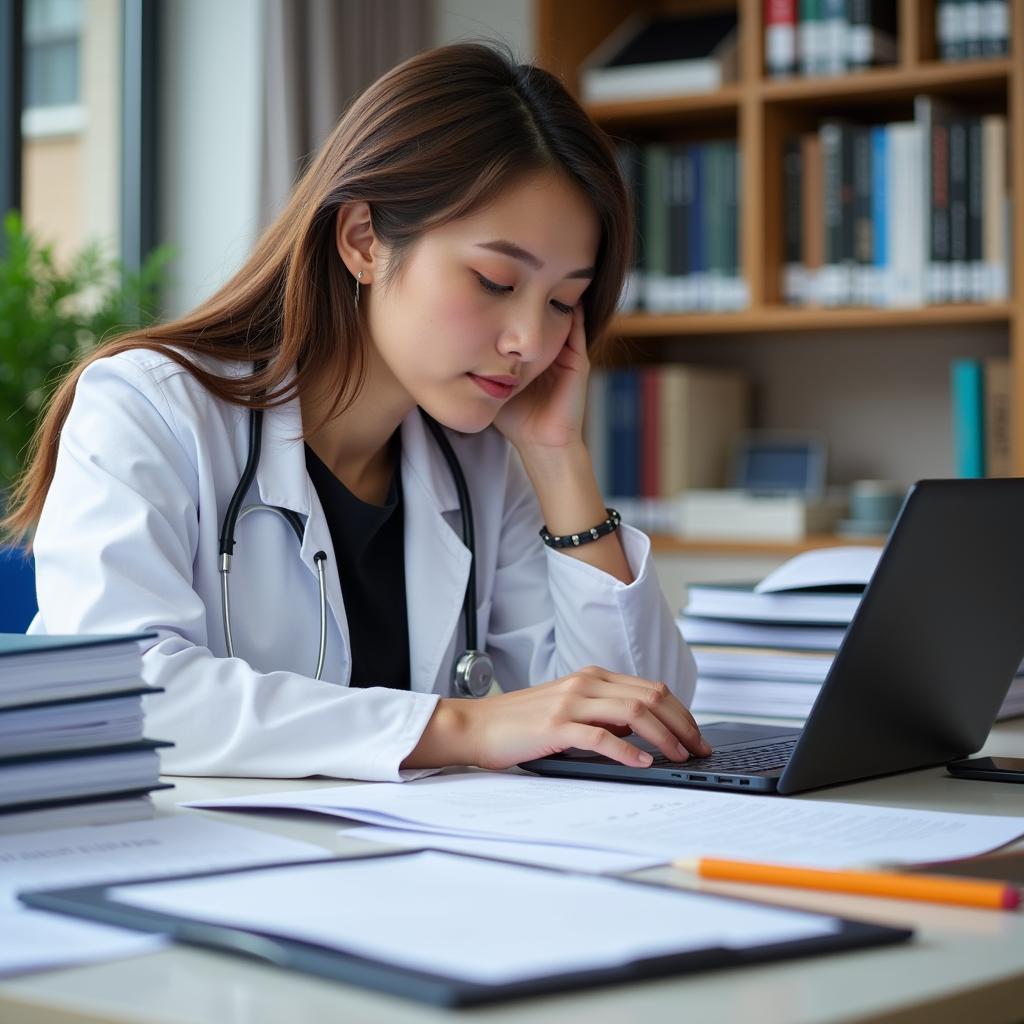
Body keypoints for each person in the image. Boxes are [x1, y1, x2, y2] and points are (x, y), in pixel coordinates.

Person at [4, 42, 706, 782]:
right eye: (496, 281)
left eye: (564, 301)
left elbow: (642, 729)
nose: (530, 341)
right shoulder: (148, 408)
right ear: (364, 240)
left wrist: (559, 455)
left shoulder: (479, 461)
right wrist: (461, 724)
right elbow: (125, 692)